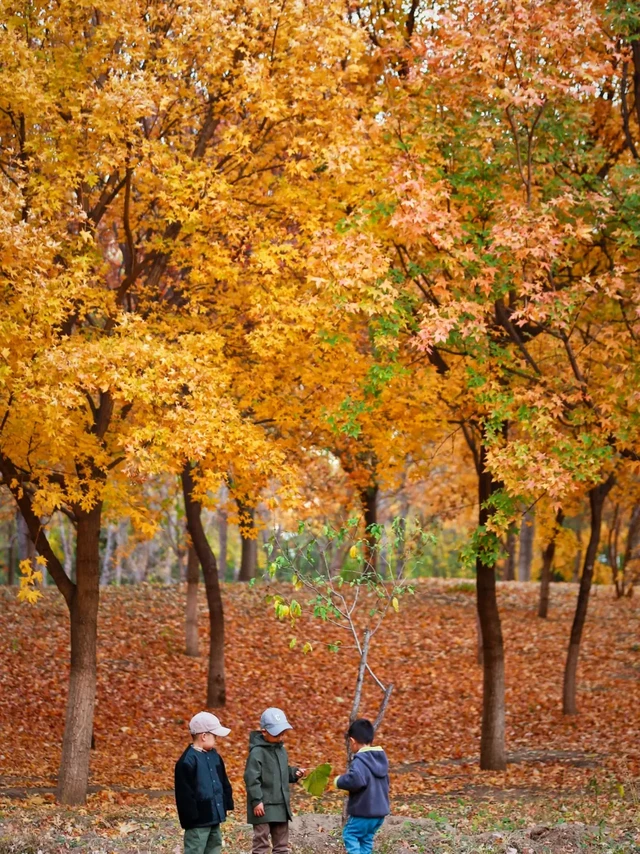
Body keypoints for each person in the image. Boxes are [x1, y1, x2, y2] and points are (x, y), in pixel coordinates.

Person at [244, 707, 306, 854]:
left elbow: (282, 771)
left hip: (280, 804)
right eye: (277, 734)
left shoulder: (280, 750)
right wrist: (256, 801)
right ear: (264, 731)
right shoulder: (257, 752)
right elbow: (251, 778)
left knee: (281, 845)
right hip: (262, 806)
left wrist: (294, 773)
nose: (281, 737)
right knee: (262, 843)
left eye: (283, 733)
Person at [174, 712, 234, 854]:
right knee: (195, 849)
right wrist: (191, 818)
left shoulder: (215, 756)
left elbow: (223, 781)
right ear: (204, 736)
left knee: (214, 847)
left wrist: (226, 803)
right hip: (197, 821)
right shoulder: (186, 762)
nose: (217, 740)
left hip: (215, 815)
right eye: (215, 736)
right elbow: (184, 795)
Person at [335, 719, 390, 854]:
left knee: (350, 834)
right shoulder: (380, 759)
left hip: (364, 811)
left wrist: (339, 781)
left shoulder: (360, 761)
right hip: (379, 813)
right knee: (366, 838)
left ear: (352, 741)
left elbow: (356, 780)